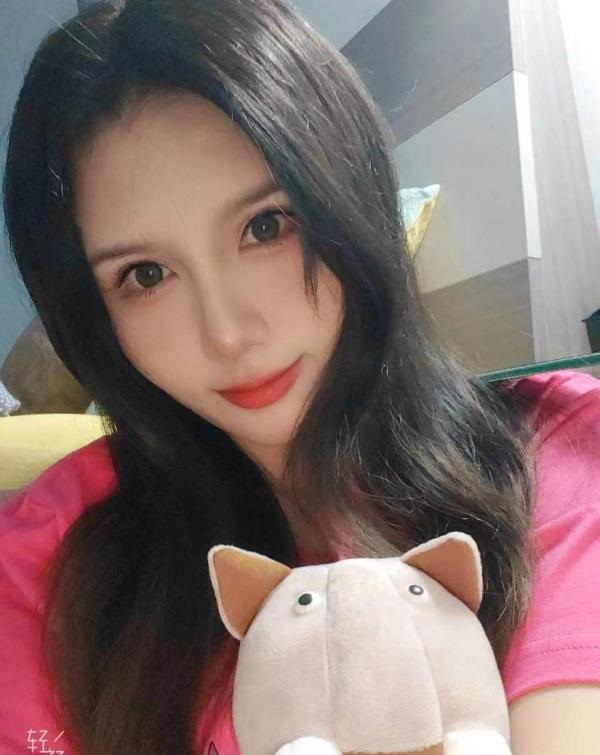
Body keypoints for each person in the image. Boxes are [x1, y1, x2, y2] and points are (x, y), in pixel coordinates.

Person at [1, 1, 599, 754]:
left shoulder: (552, 456)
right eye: (145, 274)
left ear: (350, 195)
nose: (228, 334)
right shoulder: (50, 555)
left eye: (266, 226)